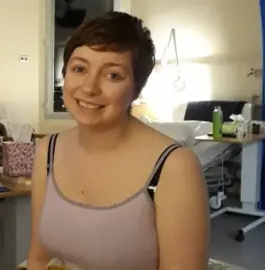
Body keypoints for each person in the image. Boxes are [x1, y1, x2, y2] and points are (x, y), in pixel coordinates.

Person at [27, 12, 209, 270]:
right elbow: (38, 259)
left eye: (112, 75)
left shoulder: (175, 167)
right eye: (79, 69)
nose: (89, 87)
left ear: (137, 88)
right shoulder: (48, 150)